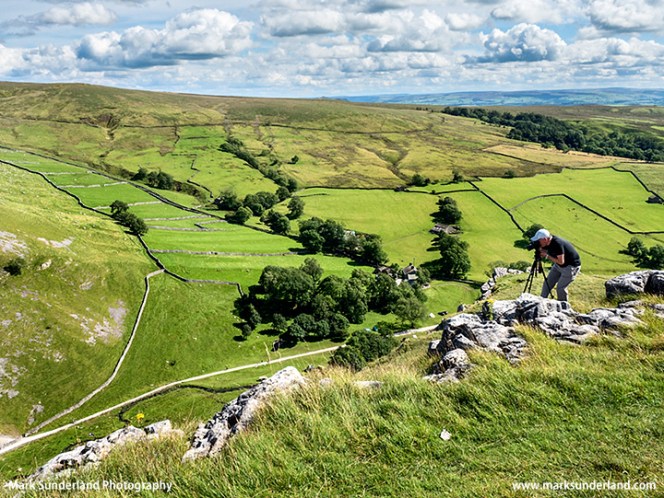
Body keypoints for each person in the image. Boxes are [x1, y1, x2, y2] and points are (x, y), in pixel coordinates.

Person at [530, 228, 581, 302]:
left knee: (560, 288)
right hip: (558, 265)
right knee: (547, 283)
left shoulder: (557, 244)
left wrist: (546, 255)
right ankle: (541, 302)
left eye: (539, 241)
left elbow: (561, 262)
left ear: (545, 239)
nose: (538, 242)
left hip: (570, 267)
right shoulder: (548, 242)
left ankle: (563, 307)